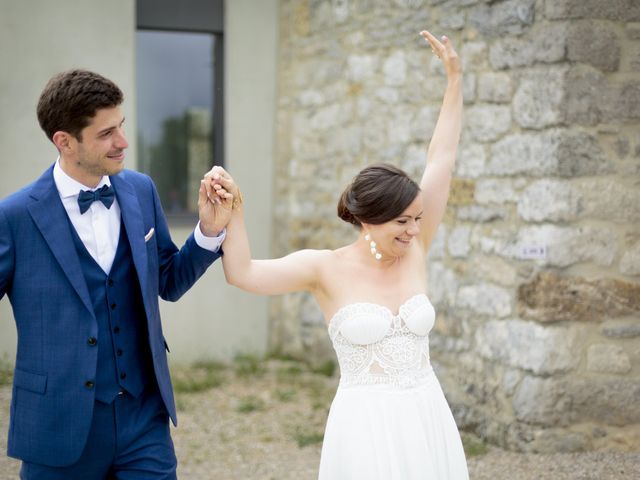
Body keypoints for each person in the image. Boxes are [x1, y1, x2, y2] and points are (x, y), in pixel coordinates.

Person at [204, 30, 469, 479]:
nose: (413, 229)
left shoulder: (417, 248)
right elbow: (243, 273)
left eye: (417, 218)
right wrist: (235, 214)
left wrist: (455, 79)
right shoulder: (324, 267)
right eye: (401, 221)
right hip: (365, 426)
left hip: (426, 412)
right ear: (368, 219)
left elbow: (441, 157)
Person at [0, 69, 232, 479]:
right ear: (64, 141)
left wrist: (209, 232)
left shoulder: (140, 190)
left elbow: (169, 280)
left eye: (121, 126)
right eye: (106, 133)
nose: (123, 141)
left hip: (143, 419)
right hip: (59, 426)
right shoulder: (15, 216)